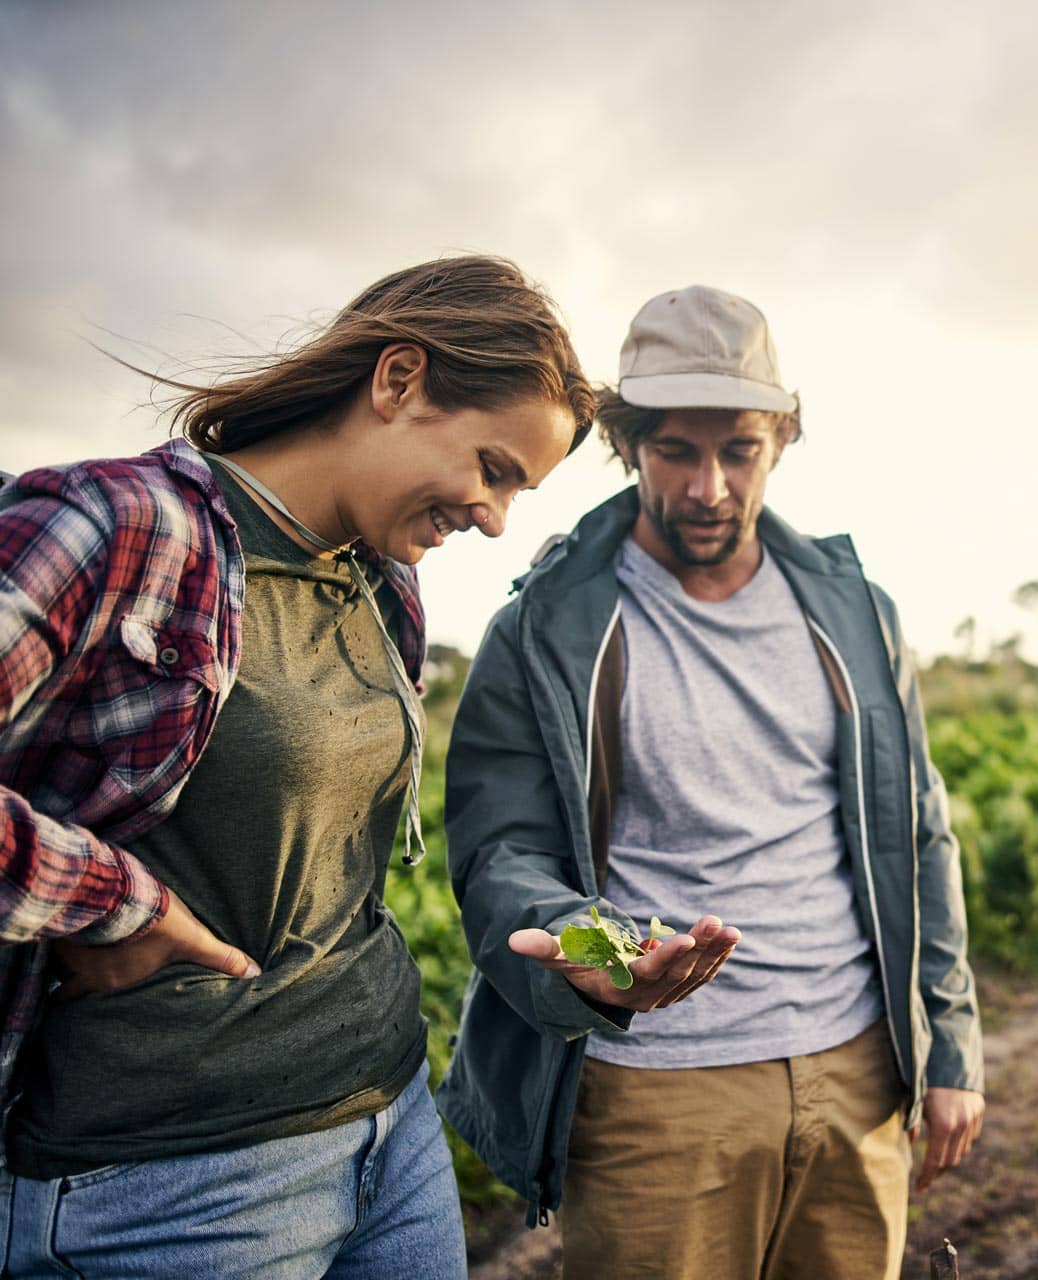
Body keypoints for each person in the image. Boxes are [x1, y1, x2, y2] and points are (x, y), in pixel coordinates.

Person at [0, 255, 633, 1278]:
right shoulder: (121, 526)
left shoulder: (387, 589)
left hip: (391, 1127)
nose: (495, 515)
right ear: (398, 381)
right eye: (494, 467)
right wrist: (111, 899)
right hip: (167, 1188)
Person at [438, 285, 986, 1279]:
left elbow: (920, 832)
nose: (708, 487)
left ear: (780, 437)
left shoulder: (857, 610)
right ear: (626, 443)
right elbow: (498, 850)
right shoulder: (545, 625)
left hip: (857, 1068)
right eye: (675, 451)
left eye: (738, 450)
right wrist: (585, 947)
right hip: (654, 1090)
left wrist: (946, 1048)